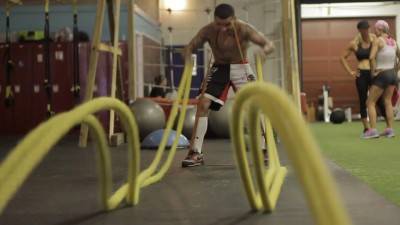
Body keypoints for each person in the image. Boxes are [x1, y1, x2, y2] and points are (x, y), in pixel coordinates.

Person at [180, 3, 274, 167]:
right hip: (219, 67)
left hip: (241, 66)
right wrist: (187, 54)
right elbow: (190, 47)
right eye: (219, 24)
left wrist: (263, 51)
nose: (222, 29)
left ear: (234, 19)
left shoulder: (244, 29)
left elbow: (269, 44)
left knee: (256, 104)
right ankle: (196, 152)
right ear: (214, 20)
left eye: (227, 25)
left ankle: (263, 149)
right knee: (203, 103)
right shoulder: (208, 30)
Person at [340, 19, 386, 134]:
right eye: (363, 29)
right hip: (361, 74)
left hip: (373, 73)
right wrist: (350, 71)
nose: (366, 31)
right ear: (359, 30)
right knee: (363, 100)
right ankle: (366, 128)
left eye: (367, 28)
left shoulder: (375, 39)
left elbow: (384, 51)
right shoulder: (354, 44)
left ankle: (388, 126)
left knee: (379, 100)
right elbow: (342, 58)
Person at [361, 20, 400, 139]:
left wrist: (373, 72)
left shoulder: (378, 40)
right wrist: (395, 70)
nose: (375, 31)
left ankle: (372, 130)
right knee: (387, 101)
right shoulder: (393, 41)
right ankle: (390, 130)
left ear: (380, 29)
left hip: (382, 74)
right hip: (392, 75)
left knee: (370, 102)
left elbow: (371, 57)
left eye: (376, 29)